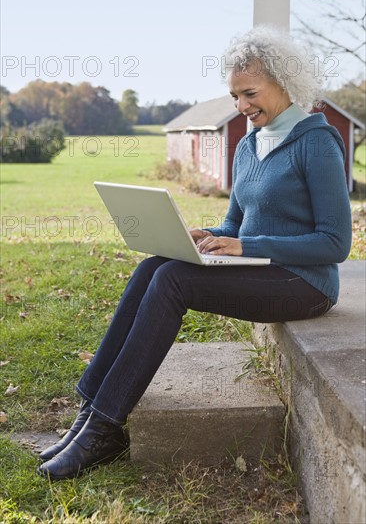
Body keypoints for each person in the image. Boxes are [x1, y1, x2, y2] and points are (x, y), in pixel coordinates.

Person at [37, 25, 352, 480]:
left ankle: (104, 429)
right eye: (234, 96)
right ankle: (89, 413)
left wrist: (246, 244)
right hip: (261, 269)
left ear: (284, 82)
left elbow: (335, 243)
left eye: (249, 94)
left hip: (305, 284)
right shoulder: (248, 145)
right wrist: (206, 235)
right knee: (154, 267)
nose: (241, 107)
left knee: (173, 280)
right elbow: (235, 226)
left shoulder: (317, 142)